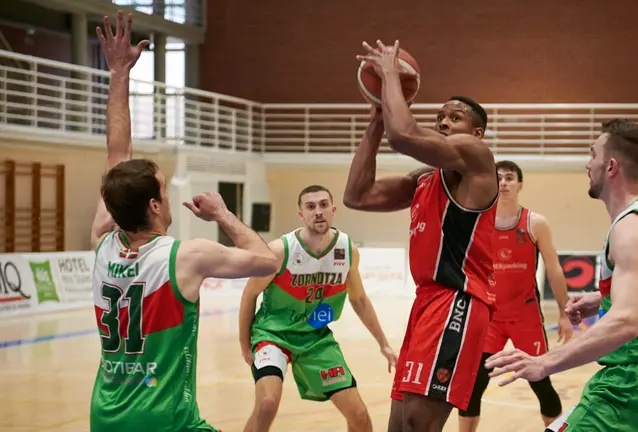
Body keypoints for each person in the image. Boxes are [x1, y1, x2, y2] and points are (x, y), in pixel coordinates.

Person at [88, 12, 279, 432]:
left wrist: (118, 73)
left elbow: (116, 153)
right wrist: (222, 214)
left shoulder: (102, 241)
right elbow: (267, 262)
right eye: (164, 188)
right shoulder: (186, 256)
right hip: (166, 421)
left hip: (105, 417)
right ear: (155, 206)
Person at [486, 119, 638, 432]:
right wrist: (604, 297)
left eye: (593, 155)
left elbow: (625, 323)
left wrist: (542, 363)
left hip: (629, 386)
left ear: (611, 166)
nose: (588, 164)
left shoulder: (632, 228)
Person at [345, 40, 499, 432]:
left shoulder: (477, 157)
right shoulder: (424, 179)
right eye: (441, 116)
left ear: (476, 132)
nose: (445, 122)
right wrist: (377, 119)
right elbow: (357, 196)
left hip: (458, 301)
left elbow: (405, 135)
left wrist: (391, 78)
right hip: (426, 303)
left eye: (456, 117)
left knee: (418, 421)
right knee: (398, 425)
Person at [238, 184, 399, 432]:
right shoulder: (280, 251)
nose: (318, 212)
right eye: (310, 207)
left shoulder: (346, 250)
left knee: (359, 415)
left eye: (323, 205)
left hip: (316, 339)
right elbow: (249, 296)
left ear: (333, 210)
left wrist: (383, 343)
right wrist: (245, 345)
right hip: (273, 336)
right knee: (267, 404)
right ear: (301, 214)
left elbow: (359, 300)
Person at [458, 160, 574, 431]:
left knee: (541, 382)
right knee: (475, 384)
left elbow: (555, 270)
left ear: (520, 184)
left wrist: (564, 312)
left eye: (509, 178)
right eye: (498, 178)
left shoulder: (535, 223)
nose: (503, 183)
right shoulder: (477, 223)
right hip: (490, 317)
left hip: (526, 316)